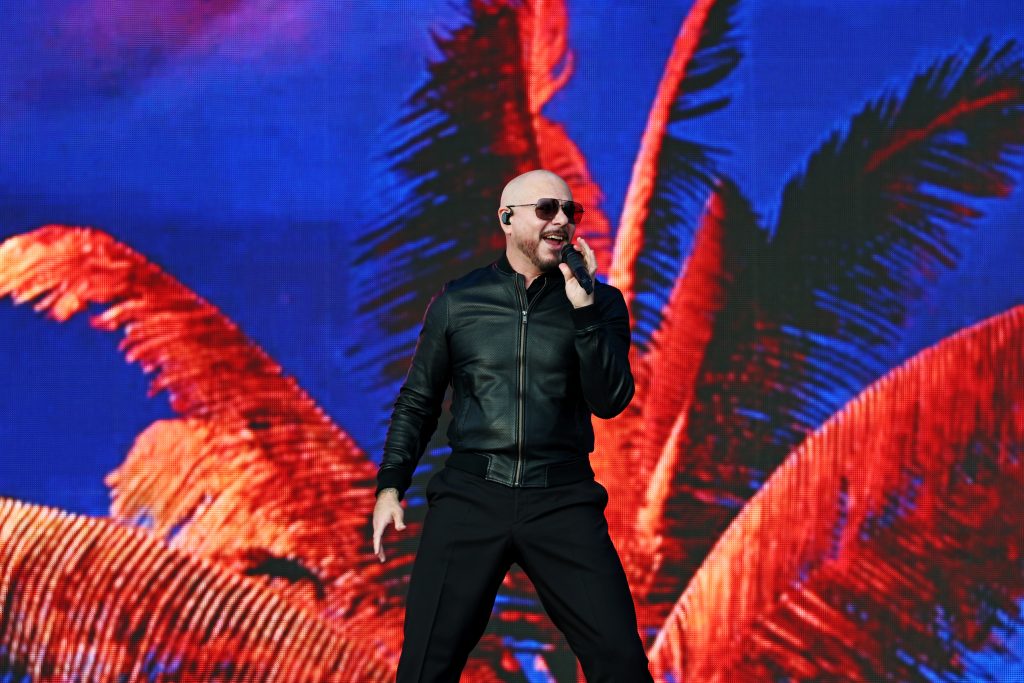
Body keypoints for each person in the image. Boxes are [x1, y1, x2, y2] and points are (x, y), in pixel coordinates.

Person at [371, 169, 653, 682]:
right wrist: (391, 485)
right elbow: (418, 400)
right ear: (507, 219)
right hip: (472, 495)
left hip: (562, 497)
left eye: (570, 211)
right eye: (546, 209)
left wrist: (584, 310)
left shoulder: (601, 303)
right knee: (425, 665)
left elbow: (611, 400)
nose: (561, 220)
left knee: (622, 662)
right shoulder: (459, 301)